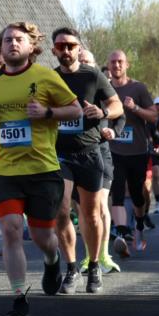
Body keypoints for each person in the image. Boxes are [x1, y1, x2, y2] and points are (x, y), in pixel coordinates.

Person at [0, 22, 81, 316]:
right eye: (7, 40)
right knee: (10, 229)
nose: (12, 44)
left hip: (42, 169)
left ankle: (52, 259)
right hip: (6, 170)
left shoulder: (45, 77)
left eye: (18, 39)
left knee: (42, 236)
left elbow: (76, 110)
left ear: (31, 46)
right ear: (0, 47)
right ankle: (19, 297)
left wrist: (48, 113)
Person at [51, 28, 123, 294]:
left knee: (91, 215)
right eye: (61, 46)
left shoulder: (93, 75)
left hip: (90, 152)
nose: (66, 50)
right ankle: (71, 269)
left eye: (71, 45)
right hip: (59, 153)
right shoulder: (50, 78)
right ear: (54, 50)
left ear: (79, 48)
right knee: (60, 210)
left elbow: (117, 106)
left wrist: (103, 111)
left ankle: (93, 265)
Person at [106, 50, 158, 254]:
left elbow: (154, 117)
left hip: (137, 150)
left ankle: (138, 225)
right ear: (108, 66)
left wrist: (135, 107)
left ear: (127, 65)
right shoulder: (105, 89)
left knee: (137, 193)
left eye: (120, 62)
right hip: (114, 150)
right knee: (116, 191)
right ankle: (120, 233)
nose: (116, 65)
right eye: (113, 62)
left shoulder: (138, 88)